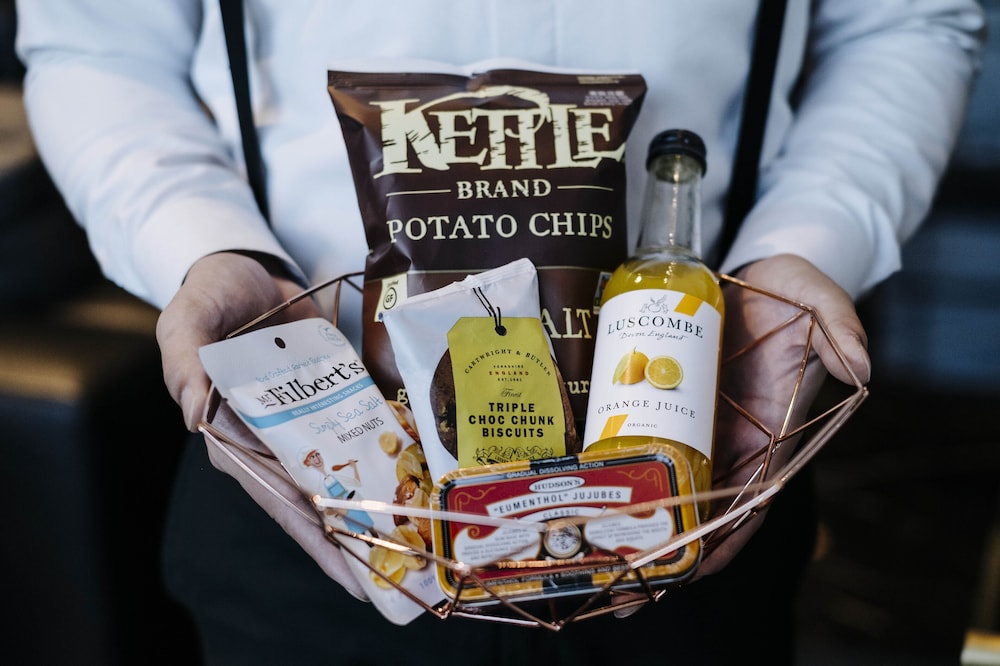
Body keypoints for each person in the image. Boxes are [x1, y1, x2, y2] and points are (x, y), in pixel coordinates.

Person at [15, 1, 984, 663]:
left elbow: (903, 20)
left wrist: (807, 239)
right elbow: (98, 42)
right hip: (325, 456)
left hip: (700, 447)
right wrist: (203, 243)